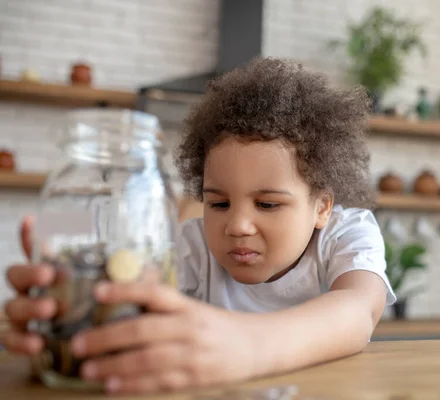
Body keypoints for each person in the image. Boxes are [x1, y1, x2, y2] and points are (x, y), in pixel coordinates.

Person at [2, 58, 395, 394]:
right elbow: (131, 312)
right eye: (218, 203)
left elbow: (358, 312)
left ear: (322, 207)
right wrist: (70, 317)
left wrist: (246, 347)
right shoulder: (190, 246)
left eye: (268, 204)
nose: (238, 225)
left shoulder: (347, 233)